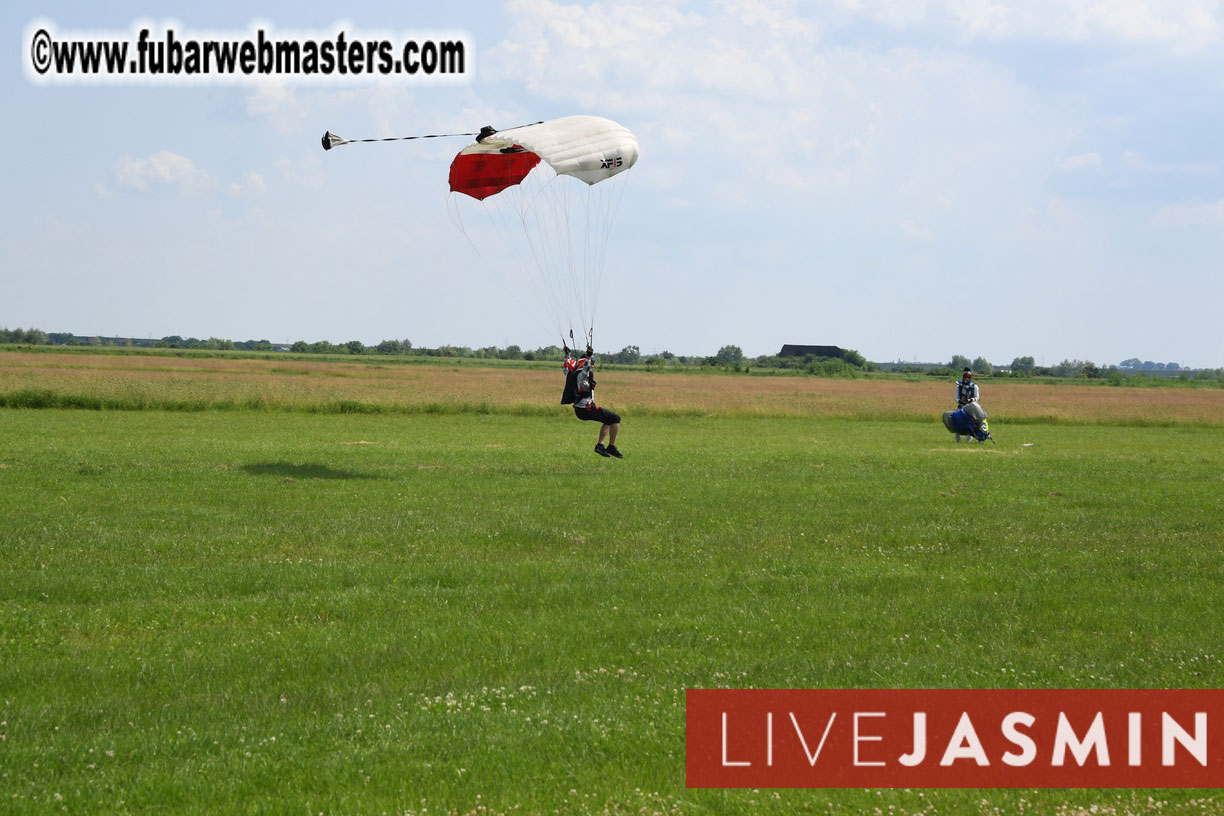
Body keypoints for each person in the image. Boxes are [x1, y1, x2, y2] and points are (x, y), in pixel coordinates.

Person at [562, 345, 623, 458]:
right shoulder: (582, 375)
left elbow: (566, 367)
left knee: (608, 420)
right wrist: (589, 357)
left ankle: (600, 445)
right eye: (592, 363)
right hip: (587, 409)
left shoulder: (572, 374)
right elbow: (586, 368)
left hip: (579, 410)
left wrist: (567, 355)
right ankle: (611, 447)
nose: (593, 366)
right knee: (616, 419)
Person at [954, 368, 979, 443]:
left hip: (971, 407)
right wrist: (960, 401)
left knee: (971, 423)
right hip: (961, 406)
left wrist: (971, 400)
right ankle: (958, 439)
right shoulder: (959, 386)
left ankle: (968, 440)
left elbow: (977, 397)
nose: (966, 379)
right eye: (965, 377)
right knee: (958, 422)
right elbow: (956, 397)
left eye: (968, 377)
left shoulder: (974, 387)